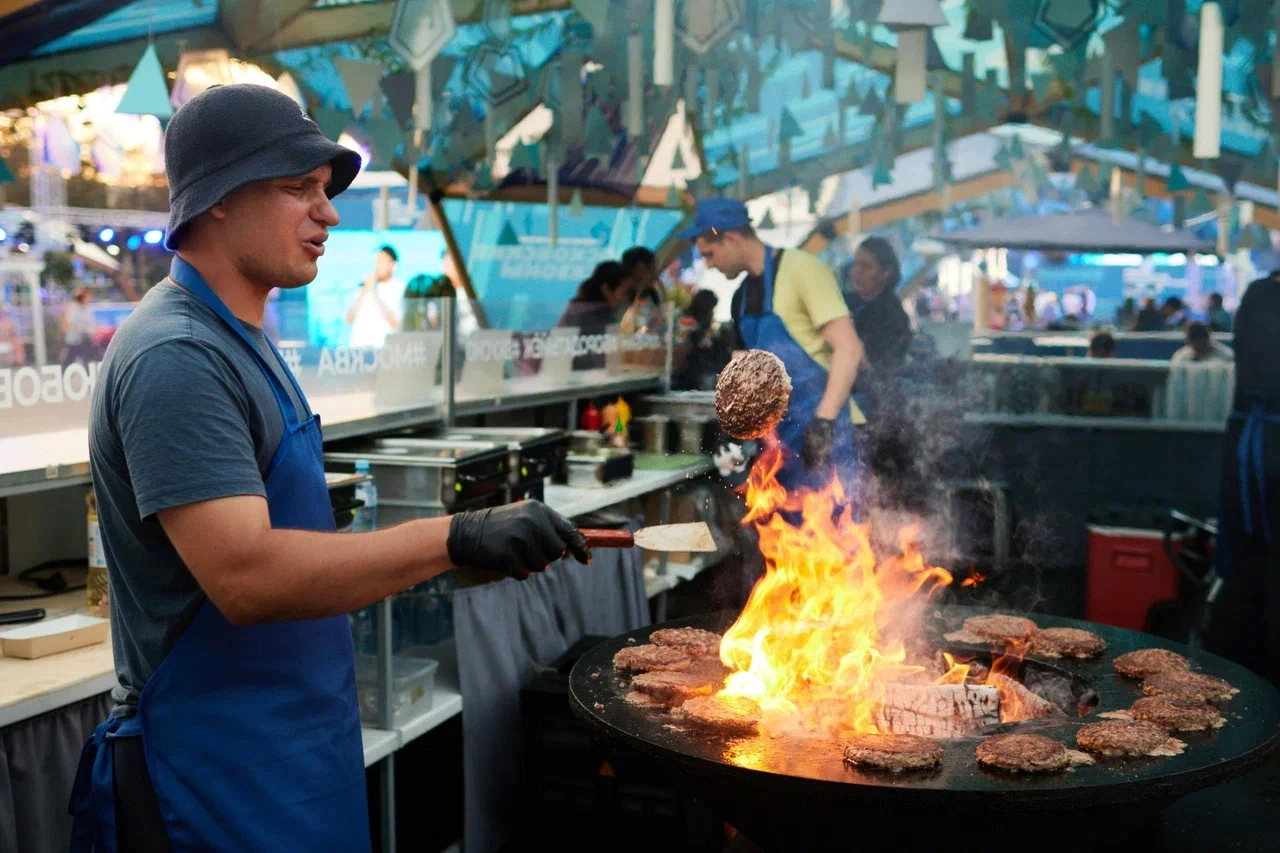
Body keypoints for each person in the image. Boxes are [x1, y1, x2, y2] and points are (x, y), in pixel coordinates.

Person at [73, 84, 588, 853]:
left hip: (294, 754)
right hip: (211, 776)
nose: (329, 213)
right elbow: (246, 576)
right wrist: (454, 537)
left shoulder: (245, 338)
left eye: (325, 189)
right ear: (216, 198)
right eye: (297, 188)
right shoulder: (175, 355)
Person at [681, 198, 864, 492]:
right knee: (785, 533)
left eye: (709, 254)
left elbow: (850, 348)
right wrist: (734, 430)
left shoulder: (801, 268)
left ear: (730, 238)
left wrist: (824, 423)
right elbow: (744, 377)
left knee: (836, 530)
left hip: (828, 434)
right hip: (779, 444)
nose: (708, 264)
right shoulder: (740, 298)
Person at [1208, 269, 1280, 686]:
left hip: (1250, 451)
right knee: (1258, 573)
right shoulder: (1264, 298)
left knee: (1248, 574)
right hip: (1263, 457)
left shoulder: (1258, 295)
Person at [843, 236, 912, 416]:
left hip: (874, 406)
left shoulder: (891, 315)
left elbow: (873, 364)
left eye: (865, 267)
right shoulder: (849, 302)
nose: (855, 273)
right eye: (855, 264)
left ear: (885, 273)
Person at [558, 260, 632, 370]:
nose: (626, 298)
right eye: (624, 292)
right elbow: (604, 361)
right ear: (606, 289)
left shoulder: (577, 308)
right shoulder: (598, 318)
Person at [345, 243, 405, 348]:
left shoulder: (399, 288)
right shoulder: (365, 285)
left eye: (381, 261)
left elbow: (396, 324)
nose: (377, 265)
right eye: (376, 261)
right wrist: (363, 292)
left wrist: (374, 293)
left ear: (392, 264)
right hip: (358, 349)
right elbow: (349, 319)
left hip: (384, 350)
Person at [671, 289, 727, 391]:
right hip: (686, 372)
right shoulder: (690, 322)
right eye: (712, 309)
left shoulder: (697, 323)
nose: (713, 313)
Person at [61, 287, 99, 365]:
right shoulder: (73, 307)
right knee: (70, 357)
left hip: (85, 339)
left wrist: (91, 331)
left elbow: (91, 323)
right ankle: (64, 372)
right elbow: (71, 322)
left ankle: (88, 371)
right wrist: (82, 330)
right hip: (74, 339)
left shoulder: (87, 309)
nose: (88, 299)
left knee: (87, 357)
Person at [0, 302, 24, 367]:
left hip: (8, 347)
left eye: (5, 313)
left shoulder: (11, 323)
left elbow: (16, 337)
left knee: (18, 344)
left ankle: (16, 363)